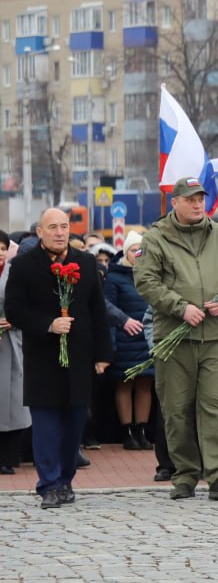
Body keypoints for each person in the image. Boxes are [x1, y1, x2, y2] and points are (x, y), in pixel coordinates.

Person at [134, 178, 218, 501]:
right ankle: (184, 475)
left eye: (201, 199)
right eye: (190, 199)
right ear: (175, 203)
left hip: (216, 337)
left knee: (215, 407)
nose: (198, 204)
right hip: (174, 339)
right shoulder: (156, 238)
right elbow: (145, 280)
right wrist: (180, 307)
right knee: (177, 410)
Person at [4, 209, 112, 508]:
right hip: (42, 357)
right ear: (40, 232)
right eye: (52, 227)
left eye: (64, 226)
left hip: (79, 356)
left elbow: (97, 310)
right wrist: (49, 324)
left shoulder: (85, 262)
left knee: (75, 425)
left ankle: (65, 480)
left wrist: (103, 353)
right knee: (47, 426)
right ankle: (48, 484)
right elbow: (14, 311)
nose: (60, 232)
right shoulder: (23, 265)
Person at [102, 230, 152, 450]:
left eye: (141, 250)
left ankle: (142, 431)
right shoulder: (114, 277)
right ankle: (127, 432)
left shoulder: (151, 274)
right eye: (133, 250)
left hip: (147, 339)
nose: (137, 254)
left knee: (145, 384)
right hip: (125, 338)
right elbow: (109, 309)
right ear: (125, 252)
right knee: (125, 383)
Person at [0, 231, 32, 475]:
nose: (0, 253)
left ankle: (9, 457)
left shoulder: (16, 272)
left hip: (13, 341)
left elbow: (30, 305)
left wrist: (15, 320)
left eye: (3, 248)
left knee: (14, 403)